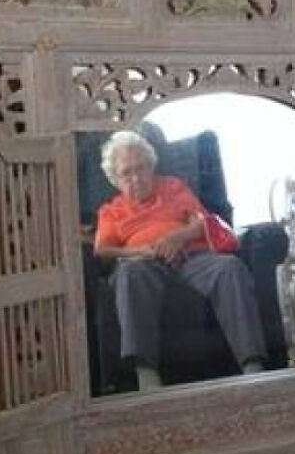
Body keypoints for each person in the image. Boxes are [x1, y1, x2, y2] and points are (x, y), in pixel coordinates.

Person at [94, 130, 267, 390]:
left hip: (191, 256)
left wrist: (177, 236)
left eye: (141, 169)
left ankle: (253, 366)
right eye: (126, 173)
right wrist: (140, 251)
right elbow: (103, 250)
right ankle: (147, 375)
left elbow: (201, 221)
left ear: (152, 167)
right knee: (129, 275)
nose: (136, 178)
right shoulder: (111, 210)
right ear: (114, 179)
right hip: (144, 265)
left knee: (229, 267)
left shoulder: (173, 186)